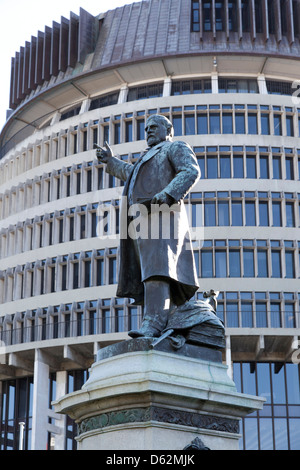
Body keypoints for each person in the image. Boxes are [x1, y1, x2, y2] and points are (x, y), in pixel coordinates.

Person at [95, 114, 200, 338]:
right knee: (149, 272)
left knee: (158, 270)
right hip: (142, 220)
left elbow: (190, 171)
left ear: (168, 129)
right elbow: (129, 173)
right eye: (147, 129)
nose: (149, 131)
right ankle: (158, 319)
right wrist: (110, 161)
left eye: (154, 127)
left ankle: (154, 323)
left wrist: (168, 194)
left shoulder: (174, 147)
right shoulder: (147, 157)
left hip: (163, 217)